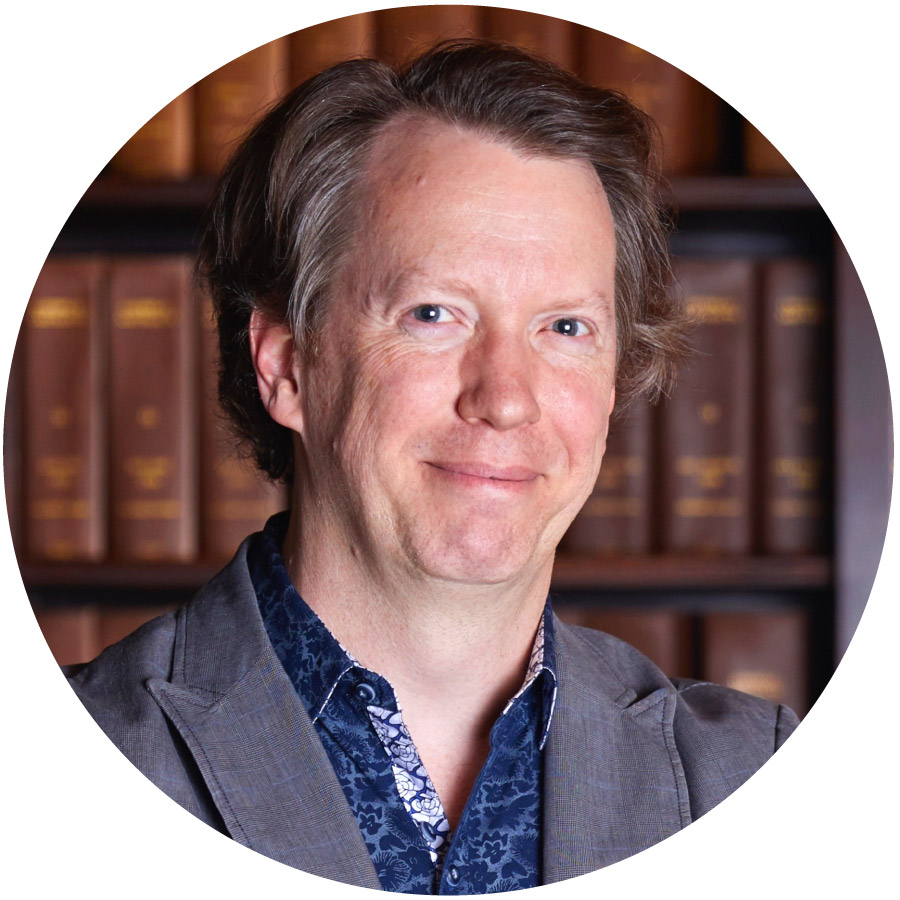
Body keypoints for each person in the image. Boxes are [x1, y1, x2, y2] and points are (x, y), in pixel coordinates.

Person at [67, 41, 798, 893]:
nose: (506, 399)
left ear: (612, 388)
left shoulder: (756, 774)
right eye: (433, 313)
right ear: (287, 368)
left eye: (565, 328)